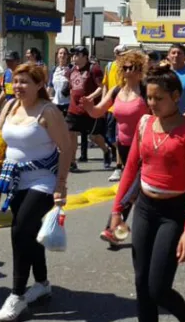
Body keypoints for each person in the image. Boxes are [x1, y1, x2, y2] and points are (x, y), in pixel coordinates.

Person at [0, 64, 72, 321]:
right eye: (16, 81)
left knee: (19, 230)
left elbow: (67, 147)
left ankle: (16, 295)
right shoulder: (11, 105)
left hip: (43, 181)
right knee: (30, 233)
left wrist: (60, 184)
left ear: (39, 85)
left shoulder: (48, 111)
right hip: (14, 181)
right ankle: (42, 283)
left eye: (25, 82)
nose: (18, 87)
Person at [110, 63, 185, 322]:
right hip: (144, 208)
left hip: (174, 213)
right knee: (142, 284)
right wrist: (117, 210)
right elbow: (130, 169)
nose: (152, 103)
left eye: (158, 98)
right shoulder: (144, 123)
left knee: (158, 288)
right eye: (149, 97)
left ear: (176, 96)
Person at [82, 50, 149, 244]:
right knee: (136, 192)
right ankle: (123, 228)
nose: (128, 71)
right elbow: (97, 112)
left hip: (144, 148)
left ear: (140, 70)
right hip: (123, 147)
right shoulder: (117, 91)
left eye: (133, 68)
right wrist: (87, 106)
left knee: (129, 190)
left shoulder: (146, 91)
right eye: (125, 67)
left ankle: (112, 229)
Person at [65, 46, 112, 171]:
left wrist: (90, 98)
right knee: (71, 134)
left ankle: (106, 151)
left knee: (94, 136)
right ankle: (72, 162)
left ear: (85, 56)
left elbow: (101, 87)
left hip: (90, 109)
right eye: (73, 55)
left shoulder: (94, 69)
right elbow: (71, 88)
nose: (74, 58)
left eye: (77, 55)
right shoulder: (71, 71)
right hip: (74, 109)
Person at [101, 44, 130, 181]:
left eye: (125, 54)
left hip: (123, 107)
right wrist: (102, 105)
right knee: (109, 136)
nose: (123, 57)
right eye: (120, 54)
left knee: (119, 137)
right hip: (111, 108)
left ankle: (119, 166)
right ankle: (123, 156)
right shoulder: (109, 67)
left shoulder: (129, 68)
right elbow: (105, 87)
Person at [47, 47, 72, 116]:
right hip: (56, 104)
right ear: (57, 55)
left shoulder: (71, 69)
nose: (62, 55)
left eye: (65, 53)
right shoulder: (54, 69)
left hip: (68, 104)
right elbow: (50, 86)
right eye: (60, 53)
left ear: (67, 56)